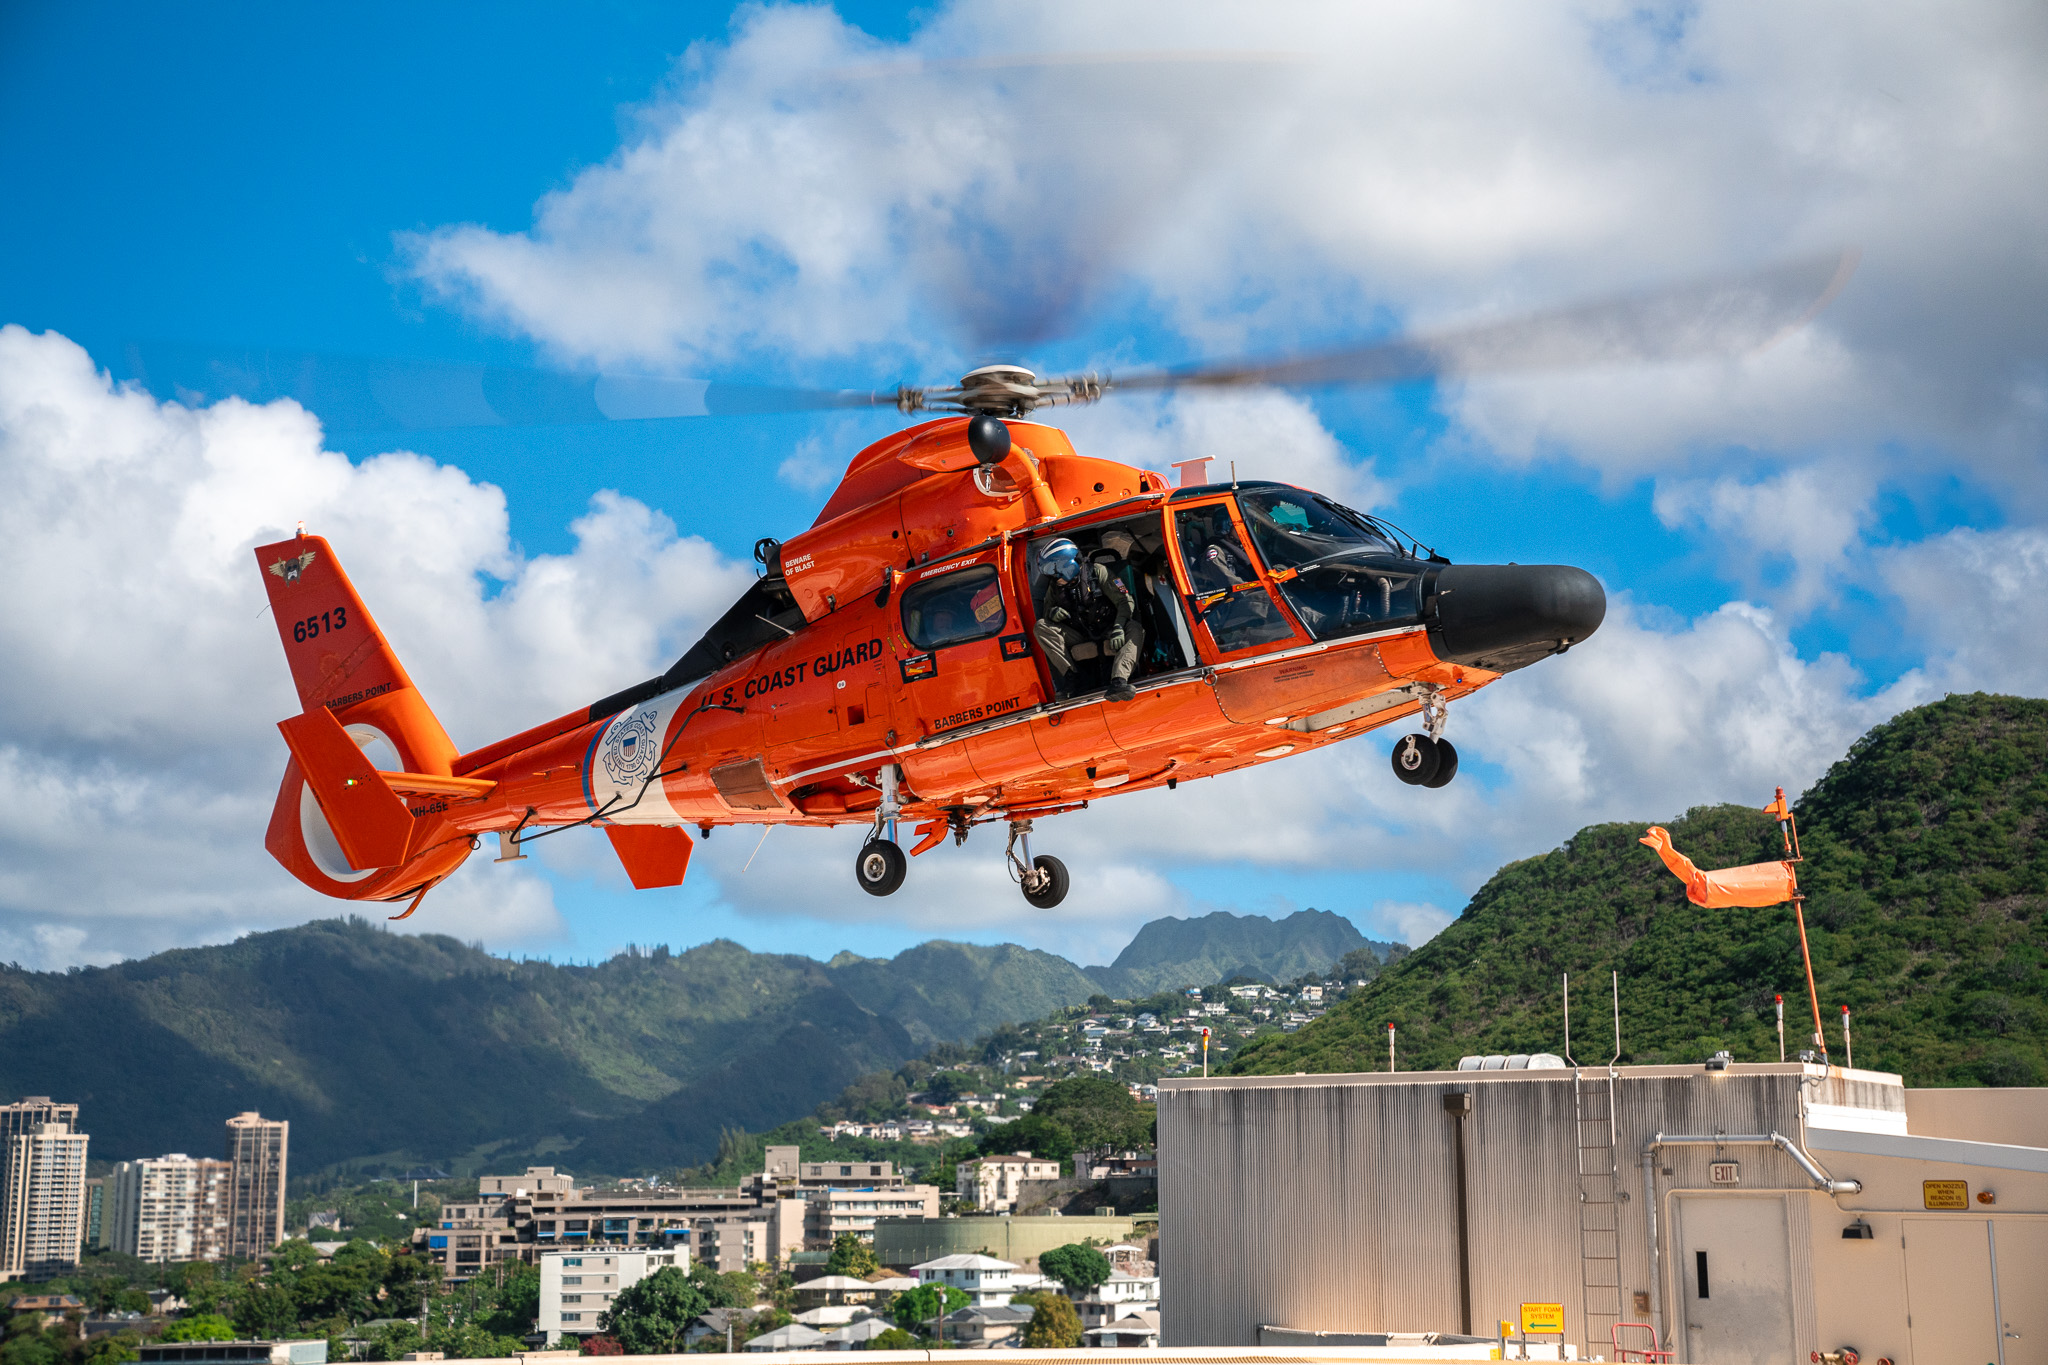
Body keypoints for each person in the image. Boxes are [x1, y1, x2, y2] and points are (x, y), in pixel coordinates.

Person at [1034, 537, 1143, 701]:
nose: (1054, 578)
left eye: (1055, 572)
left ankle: (1119, 681)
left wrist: (1119, 627)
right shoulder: (1055, 586)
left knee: (1135, 629)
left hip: (1109, 629)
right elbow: (1046, 612)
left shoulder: (1099, 572)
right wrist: (1052, 613)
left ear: (1067, 566)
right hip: (1080, 634)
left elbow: (1125, 600)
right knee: (1041, 626)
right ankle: (1072, 677)